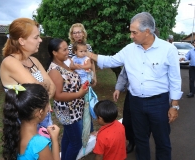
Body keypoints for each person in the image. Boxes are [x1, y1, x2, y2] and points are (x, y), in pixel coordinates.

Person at [86, 12, 182, 160]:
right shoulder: (129, 49)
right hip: (136, 102)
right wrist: (90, 55)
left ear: (147, 31)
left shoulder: (168, 50)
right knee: (140, 139)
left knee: (162, 140)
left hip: (159, 103)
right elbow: (112, 60)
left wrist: (174, 106)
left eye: (134, 32)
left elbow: (175, 79)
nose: (131, 36)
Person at [0, 18, 55, 129]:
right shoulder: (10, 62)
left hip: (43, 117)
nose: (40, 40)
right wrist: (44, 86)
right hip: (26, 124)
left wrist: (43, 99)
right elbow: (37, 90)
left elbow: (52, 86)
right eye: (36, 37)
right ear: (22, 41)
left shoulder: (34, 60)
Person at [47, 38, 88, 160]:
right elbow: (58, 95)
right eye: (64, 50)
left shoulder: (65, 62)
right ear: (54, 52)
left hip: (75, 108)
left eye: (67, 49)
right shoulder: (54, 70)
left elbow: (70, 79)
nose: (67, 52)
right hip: (68, 112)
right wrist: (79, 93)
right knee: (76, 143)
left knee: (68, 137)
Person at [2, 84, 60, 160]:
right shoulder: (39, 144)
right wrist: (55, 140)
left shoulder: (15, 131)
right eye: (47, 106)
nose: (49, 110)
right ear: (40, 113)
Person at [113, 67, 135, 154]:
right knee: (128, 120)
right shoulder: (131, 55)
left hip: (150, 96)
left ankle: (141, 143)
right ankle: (131, 141)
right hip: (132, 94)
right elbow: (124, 74)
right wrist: (118, 88)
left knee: (144, 121)